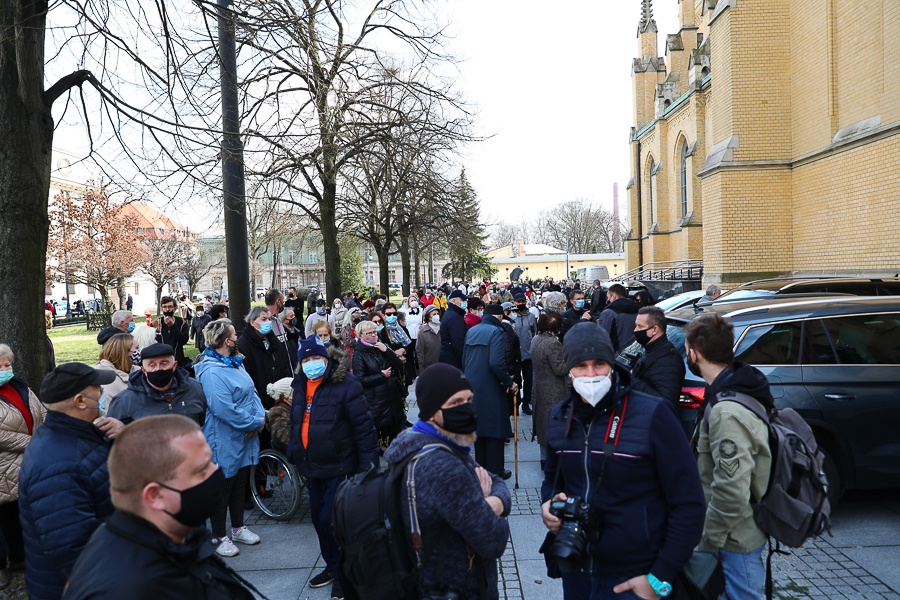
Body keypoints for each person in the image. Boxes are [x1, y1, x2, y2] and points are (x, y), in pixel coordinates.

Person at [541, 323, 705, 600]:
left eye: (599, 364)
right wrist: (549, 503)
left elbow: (689, 502)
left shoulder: (653, 414)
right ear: (568, 369)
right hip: (576, 569)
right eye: (581, 366)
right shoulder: (559, 416)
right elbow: (552, 478)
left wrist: (660, 576)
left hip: (634, 577)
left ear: (612, 364)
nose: (591, 375)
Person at [62, 415, 257, 600]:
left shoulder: (174, 535)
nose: (216, 472)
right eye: (201, 470)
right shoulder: (126, 587)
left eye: (210, 461)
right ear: (155, 495)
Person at [383, 364, 512, 600]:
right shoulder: (442, 466)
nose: (467, 409)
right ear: (432, 412)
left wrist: (491, 497)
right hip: (456, 587)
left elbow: (490, 477)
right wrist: (492, 502)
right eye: (455, 403)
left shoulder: (421, 441)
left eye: (469, 400)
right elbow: (494, 540)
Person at [686, 313, 774, 600]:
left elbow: (732, 488)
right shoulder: (729, 387)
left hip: (735, 536)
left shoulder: (727, 411)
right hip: (729, 530)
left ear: (694, 354)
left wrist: (708, 541)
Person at [19, 363, 123, 600]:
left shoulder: (73, 434)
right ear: (80, 401)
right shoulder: (58, 466)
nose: (102, 394)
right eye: (97, 389)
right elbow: (74, 552)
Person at [289, 336, 379, 596]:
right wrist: (295, 449)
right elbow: (298, 420)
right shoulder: (300, 384)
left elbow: (364, 427)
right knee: (319, 519)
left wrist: (368, 467)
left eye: (316, 358)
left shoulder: (346, 384)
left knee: (335, 522)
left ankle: (346, 574)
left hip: (341, 466)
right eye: (306, 360)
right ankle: (332, 565)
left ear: (326, 360)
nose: (311, 363)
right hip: (312, 466)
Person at [194, 319, 266, 558]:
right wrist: (254, 422)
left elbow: (253, 392)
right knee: (223, 485)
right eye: (235, 335)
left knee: (240, 481)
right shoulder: (212, 372)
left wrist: (259, 418)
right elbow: (223, 408)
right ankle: (218, 536)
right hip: (224, 436)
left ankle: (237, 528)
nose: (238, 338)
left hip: (245, 433)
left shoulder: (235, 363)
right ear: (227, 341)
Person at [0, 345, 45, 588]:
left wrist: (46, 431)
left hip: (27, 461)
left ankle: (20, 558)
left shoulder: (20, 386)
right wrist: (33, 442)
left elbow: (40, 412)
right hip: (3, 463)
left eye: (7, 365)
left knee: (18, 512)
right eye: (0, 367)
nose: (6, 370)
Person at [463, 303, 516, 480]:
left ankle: (481, 469)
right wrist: (509, 382)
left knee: (480, 430)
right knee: (495, 429)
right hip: (492, 386)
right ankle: (495, 471)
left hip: (473, 385)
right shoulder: (497, 332)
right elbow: (496, 363)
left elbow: (464, 359)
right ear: (499, 317)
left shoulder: (472, 330)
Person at [107, 343, 207, 426]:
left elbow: (202, 422)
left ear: (174, 366)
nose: (158, 368)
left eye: (164, 363)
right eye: (152, 365)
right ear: (143, 370)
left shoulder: (194, 388)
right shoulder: (124, 401)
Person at [352, 320, 405, 451]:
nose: (373, 335)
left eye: (374, 332)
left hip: (392, 396)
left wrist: (387, 350)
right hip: (376, 401)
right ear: (361, 335)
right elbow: (360, 379)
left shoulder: (382, 347)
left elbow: (398, 366)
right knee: (380, 435)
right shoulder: (359, 354)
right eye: (369, 333)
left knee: (396, 432)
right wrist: (381, 375)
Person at [529, 312, 567, 469]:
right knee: (554, 424)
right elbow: (559, 369)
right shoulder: (553, 343)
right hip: (554, 389)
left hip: (539, 387)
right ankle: (553, 460)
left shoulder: (536, 339)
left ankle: (544, 458)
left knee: (543, 424)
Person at [237, 307, 292, 411]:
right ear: (252, 322)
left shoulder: (275, 342)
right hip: (259, 402)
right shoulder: (243, 345)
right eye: (263, 319)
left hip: (280, 400)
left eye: (269, 319)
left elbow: (285, 366)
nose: (268, 322)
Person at [630, 306, 685, 407]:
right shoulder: (650, 349)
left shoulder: (668, 360)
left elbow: (666, 403)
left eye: (640, 326)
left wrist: (632, 380)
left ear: (655, 329)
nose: (635, 330)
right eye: (636, 326)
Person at [511, 294, 537, 416]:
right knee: (516, 380)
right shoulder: (512, 317)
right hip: (515, 355)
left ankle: (526, 403)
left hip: (528, 354)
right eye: (518, 301)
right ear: (514, 302)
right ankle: (515, 405)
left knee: (529, 380)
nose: (520, 303)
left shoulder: (531, 317)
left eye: (522, 301)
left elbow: (534, 332)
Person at [597, 283, 639, 352]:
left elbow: (602, 338)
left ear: (613, 296)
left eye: (608, 297)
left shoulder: (609, 313)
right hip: (635, 352)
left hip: (617, 355)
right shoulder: (638, 310)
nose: (608, 300)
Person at [95, 333, 136, 398]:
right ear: (124, 352)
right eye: (136, 348)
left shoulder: (137, 370)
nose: (139, 351)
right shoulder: (105, 380)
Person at [157, 296, 191, 368]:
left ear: (175, 308)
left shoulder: (182, 322)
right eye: (165, 307)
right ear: (161, 308)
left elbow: (184, 340)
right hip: (161, 359)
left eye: (170, 307)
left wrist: (173, 327)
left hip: (178, 360)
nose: (167, 309)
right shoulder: (158, 323)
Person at [439, 289, 468, 368]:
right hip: (453, 360)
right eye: (463, 300)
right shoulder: (455, 318)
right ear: (453, 301)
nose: (465, 302)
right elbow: (458, 343)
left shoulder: (450, 314)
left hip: (448, 357)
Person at [265, 377, 294, 453]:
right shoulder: (277, 412)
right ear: (287, 395)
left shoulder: (294, 408)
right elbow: (281, 437)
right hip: (291, 450)